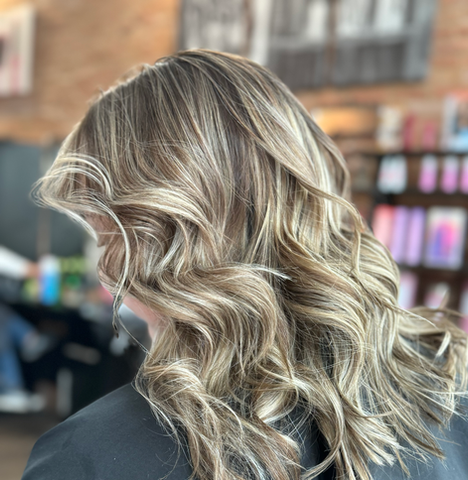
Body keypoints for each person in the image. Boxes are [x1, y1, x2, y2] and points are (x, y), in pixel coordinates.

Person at [22, 49, 468, 480]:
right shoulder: (450, 389)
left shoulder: (86, 458)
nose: (107, 271)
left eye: (104, 235)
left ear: (150, 241)